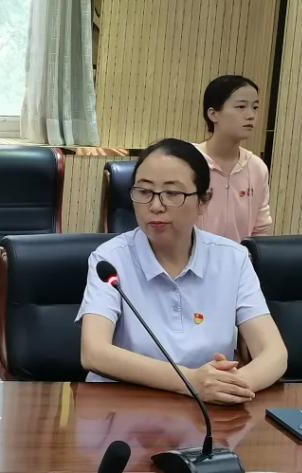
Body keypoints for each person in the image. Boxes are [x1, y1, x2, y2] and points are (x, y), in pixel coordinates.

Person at [77, 138, 287, 405]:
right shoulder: (110, 259)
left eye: (172, 194)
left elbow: (274, 354)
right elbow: (94, 352)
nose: (155, 205)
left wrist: (228, 387)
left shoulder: (233, 259)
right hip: (123, 409)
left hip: (207, 415)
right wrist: (191, 382)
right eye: (144, 191)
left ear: (203, 201)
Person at [194, 75, 272, 242]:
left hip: (241, 257)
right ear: (213, 114)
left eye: (255, 107)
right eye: (241, 106)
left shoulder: (257, 168)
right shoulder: (188, 161)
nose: (251, 115)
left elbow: (261, 231)